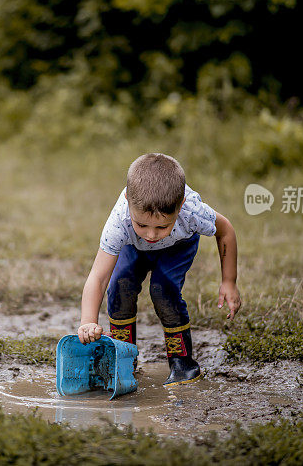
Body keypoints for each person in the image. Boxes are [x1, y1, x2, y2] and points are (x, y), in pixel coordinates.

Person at [76, 153, 240, 386]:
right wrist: (87, 321)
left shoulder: (192, 210)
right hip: (133, 246)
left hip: (178, 246)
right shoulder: (120, 221)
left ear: (180, 206)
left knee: (163, 288)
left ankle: (182, 362)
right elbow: (99, 277)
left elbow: (226, 230)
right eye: (142, 224)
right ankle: (124, 357)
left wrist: (229, 281)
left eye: (162, 226)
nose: (151, 235)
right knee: (120, 283)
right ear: (127, 199)